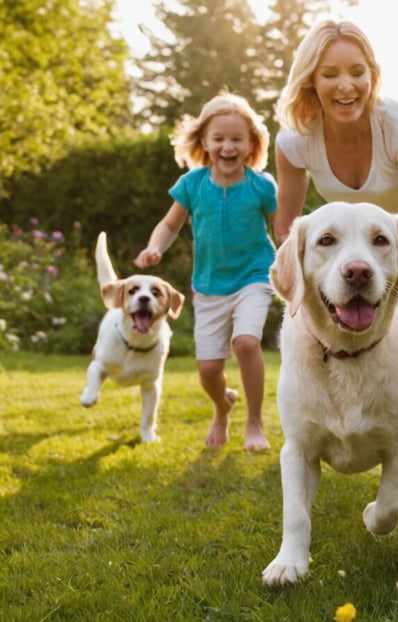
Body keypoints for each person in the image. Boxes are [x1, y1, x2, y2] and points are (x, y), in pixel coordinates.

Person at [273, 20, 398, 445]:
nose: (346, 85)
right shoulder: (294, 142)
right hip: (358, 241)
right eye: (331, 74)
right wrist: (298, 287)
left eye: (357, 71)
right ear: (310, 82)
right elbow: (287, 226)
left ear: (372, 75)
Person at [134, 92, 276, 452]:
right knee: (209, 370)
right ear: (205, 143)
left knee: (246, 343)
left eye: (236, 139)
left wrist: (294, 265)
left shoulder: (262, 186)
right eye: (219, 139)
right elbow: (169, 225)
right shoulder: (192, 184)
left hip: (255, 276)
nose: (227, 146)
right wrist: (155, 248)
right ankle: (222, 408)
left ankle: (255, 422)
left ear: (251, 144)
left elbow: (282, 230)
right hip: (210, 286)